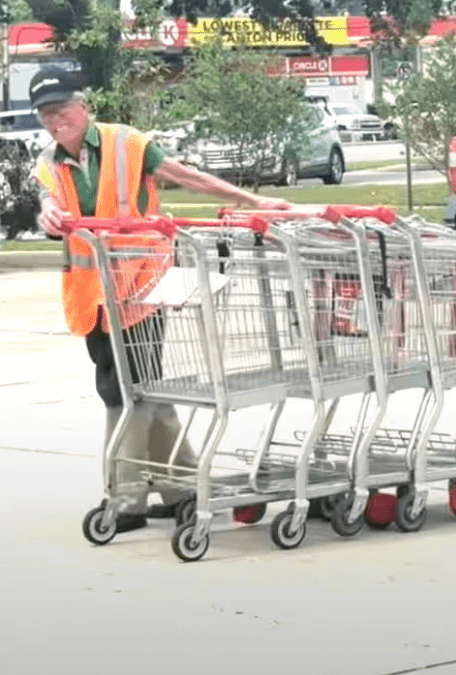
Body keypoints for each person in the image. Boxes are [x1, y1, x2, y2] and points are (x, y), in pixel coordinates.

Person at [30, 66, 292, 533]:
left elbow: (185, 176)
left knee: (124, 392)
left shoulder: (126, 143)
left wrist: (251, 202)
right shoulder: (49, 162)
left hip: (141, 287)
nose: (56, 120)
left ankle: (126, 499)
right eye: (47, 113)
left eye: (62, 108)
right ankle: (183, 488)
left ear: (83, 105)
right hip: (92, 296)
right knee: (147, 388)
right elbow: (48, 203)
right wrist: (47, 211)